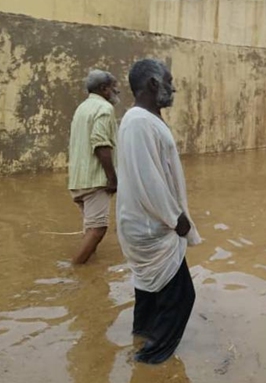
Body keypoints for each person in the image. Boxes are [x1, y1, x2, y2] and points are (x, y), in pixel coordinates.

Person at [116, 59, 201, 364]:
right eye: (169, 80)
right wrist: (176, 218)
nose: (173, 86)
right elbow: (147, 179)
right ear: (153, 84)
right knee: (181, 297)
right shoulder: (139, 122)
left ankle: (142, 336)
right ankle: (150, 359)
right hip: (153, 225)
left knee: (150, 290)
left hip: (148, 222)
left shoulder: (144, 119)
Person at [67, 70, 121, 264]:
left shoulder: (82, 108)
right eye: (115, 87)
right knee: (98, 229)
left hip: (77, 180)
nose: (118, 91)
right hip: (96, 179)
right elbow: (100, 143)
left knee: (91, 228)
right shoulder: (104, 108)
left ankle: (90, 276)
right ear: (104, 89)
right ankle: (74, 269)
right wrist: (112, 179)